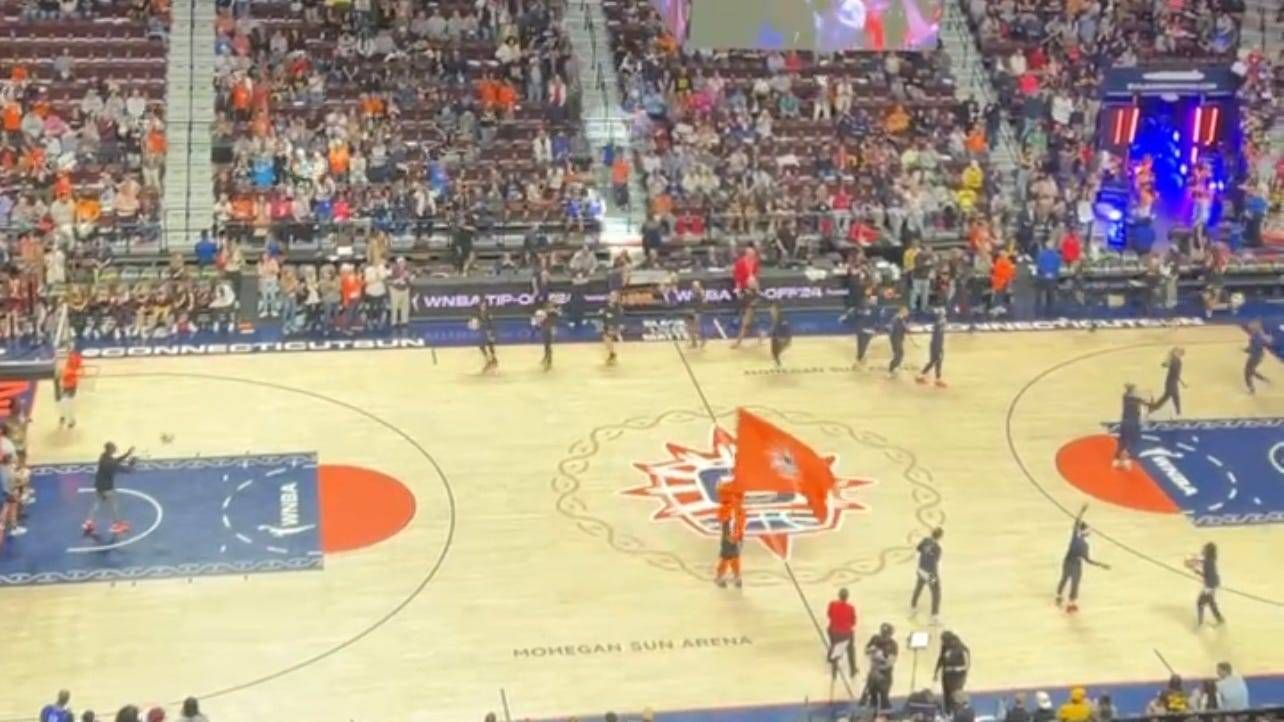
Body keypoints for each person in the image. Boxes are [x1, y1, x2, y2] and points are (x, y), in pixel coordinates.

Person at [1055, 504, 1109, 612]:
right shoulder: (1083, 544)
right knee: (1073, 582)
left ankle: (1061, 597)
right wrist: (1101, 565)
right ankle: (1069, 602)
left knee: (1066, 579)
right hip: (1075, 564)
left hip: (1068, 561)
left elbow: (1077, 522)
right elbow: (1088, 560)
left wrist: (1082, 511)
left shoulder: (1075, 537)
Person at [82, 442, 136, 536]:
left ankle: (88, 523)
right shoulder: (110, 463)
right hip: (107, 488)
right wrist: (132, 464)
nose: (115, 449)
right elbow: (126, 470)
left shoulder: (103, 456)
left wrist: (127, 454)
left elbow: (115, 461)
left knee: (97, 504)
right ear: (110, 449)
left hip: (99, 485)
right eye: (114, 448)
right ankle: (117, 525)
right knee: (114, 505)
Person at [861, 623, 898, 711]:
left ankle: (885, 710)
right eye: (882, 634)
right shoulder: (875, 639)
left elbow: (890, 662)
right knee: (872, 698)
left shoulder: (893, 644)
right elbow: (866, 650)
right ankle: (872, 707)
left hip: (885, 675)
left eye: (886, 635)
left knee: (884, 699)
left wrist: (879, 669)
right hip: (873, 673)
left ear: (890, 634)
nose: (883, 637)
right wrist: (870, 650)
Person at [911, 526, 943, 622]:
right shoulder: (937, 548)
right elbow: (937, 560)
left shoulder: (925, 541)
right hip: (930, 573)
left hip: (921, 569)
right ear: (940, 537)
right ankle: (934, 614)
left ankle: (913, 605)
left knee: (918, 587)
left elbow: (918, 548)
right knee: (936, 592)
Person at [826, 587, 858, 681]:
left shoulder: (832, 604)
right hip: (846, 633)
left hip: (834, 632)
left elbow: (829, 615)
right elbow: (853, 622)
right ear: (847, 597)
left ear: (839, 595)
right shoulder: (851, 608)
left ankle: (834, 673)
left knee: (835, 648)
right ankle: (853, 670)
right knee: (851, 650)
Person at [1189, 542, 1224, 627]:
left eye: (1205, 549)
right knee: (1210, 602)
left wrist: (1197, 571)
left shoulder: (1207, 562)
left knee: (1200, 602)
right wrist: (1196, 560)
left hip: (1209, 585)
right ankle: (1219, 619)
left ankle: (1200, 623)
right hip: (1214, 583)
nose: (1203, 549)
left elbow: (1206, 575)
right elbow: (1202, 560)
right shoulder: (1211, 559)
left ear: (1208, 551)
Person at [934, 631, 970, 713]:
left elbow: (967, 664)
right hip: (947, 674)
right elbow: (941, 659)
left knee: (955, 695)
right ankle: (947, 712)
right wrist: (936, 672)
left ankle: (956, 712)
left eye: (944, 640)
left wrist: (961, 671)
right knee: (946, 694)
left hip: (958, 676)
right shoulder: (945, 647)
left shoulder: (962, 648)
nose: (943, 642)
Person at [1113, 383, 1145, 470]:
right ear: (1132, 391)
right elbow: (1147, 404)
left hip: (1125, 422)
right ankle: (1124, 462)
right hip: (1133, 423)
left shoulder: (1125, 397)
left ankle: (1117, 460)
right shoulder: (1137, 399)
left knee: (1123, 441)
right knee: (1131, 442)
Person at [1148, 347, 1186, 416]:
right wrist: (1183, 383)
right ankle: (1178, 413)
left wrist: (1182, 383)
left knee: (1168, 397)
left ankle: (1153, 407)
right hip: (1171, 383)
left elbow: (1165, 365)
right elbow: (1165, 365)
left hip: (1172, 382)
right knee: (1174, 397)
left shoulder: (1176, 360)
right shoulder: (1175, 360)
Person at [917, 307, 947, 387]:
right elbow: (937, 337)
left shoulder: (939, 323)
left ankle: (922, 375)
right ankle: (937, 379)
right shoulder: (940, 324)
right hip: (936, 345)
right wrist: (939, 349)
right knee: (937, 361)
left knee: (934, 361)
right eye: (943, 314)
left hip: (936, 345)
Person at [1243, 320, 1273, 394]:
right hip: (1258, 356)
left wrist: (1246, 350)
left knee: (1247, 372)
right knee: (1251, 371)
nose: (1249, 330)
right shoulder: (1258, 335)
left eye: (1251, 328)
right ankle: (1265, 380)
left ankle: (1252, 389)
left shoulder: (1256, 337)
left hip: (1255, 357)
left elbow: (1254, 348)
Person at [58, 350, 84, 429]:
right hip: (65, 385)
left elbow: (81, 371)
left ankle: (72, 420)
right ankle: (63, 416)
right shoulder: (68, 358)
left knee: (68, 403)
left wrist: (72, 373)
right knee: (62, 402)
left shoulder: (76, 358)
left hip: (72, 385)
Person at [714, 517, 742, 588]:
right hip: (729, 531)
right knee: (727, 556)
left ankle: (736, 576)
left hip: (734, 529)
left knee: (735, 555)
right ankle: (719, 577)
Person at [472, 296, 498, 372]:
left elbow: (491, 323)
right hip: (483, 331)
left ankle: (493, 360)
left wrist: (492, 332)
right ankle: (488, 360)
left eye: (484, 305)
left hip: (489, 331)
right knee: (481, 346)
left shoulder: (488, 313)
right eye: (481, 305)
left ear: (486, 306)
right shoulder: (478, 313)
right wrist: (476, 325)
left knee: (490, 345)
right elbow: (476, 322)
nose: (483, 306)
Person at [601, 291, 624, 365]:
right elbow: (605, 315)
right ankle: (612, 354)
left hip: (613, 326)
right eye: (611, 295)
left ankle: (612, 354)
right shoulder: (607, 305)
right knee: (606, 338)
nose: (612, 297)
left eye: (614, 296)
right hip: (607, 325)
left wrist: (616, 329)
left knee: (607, 337)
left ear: (617, 298)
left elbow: (617, 318)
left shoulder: (617, 307)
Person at [536, 301, 559, 371]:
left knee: (548, 346)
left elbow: (555, 313)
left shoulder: (553, 313)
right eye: (548, 306)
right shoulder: (542, 313)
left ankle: (549, 362)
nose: (549, 307)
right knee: (546, 346)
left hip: (550, 330)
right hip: (545, 330)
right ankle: (546, 358)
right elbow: (539, 322)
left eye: (551, 306)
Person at [887, 306, 909, 377]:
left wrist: (905, 328)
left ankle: (895, 367)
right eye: (906, 312)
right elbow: (892, 329)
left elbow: (904, 328)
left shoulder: (901, 319)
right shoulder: (896, 319)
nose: (907, 313)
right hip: (895, 339)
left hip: (899, 339)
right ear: (902, 311)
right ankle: (891, 369)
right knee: (898, 354)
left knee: (900, 354)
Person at [685, 280, 706, 349]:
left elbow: (704, 300)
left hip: (698, 311)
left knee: (695, 328)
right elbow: (690, 301)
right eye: (693, 285)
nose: (695, 286)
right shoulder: (691, 292)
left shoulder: (701, 291)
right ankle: (694, 343)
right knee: (689, 327)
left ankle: (703, 338)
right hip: (691, 311)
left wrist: (702, 298)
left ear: (699, 285)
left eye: (696, 285)